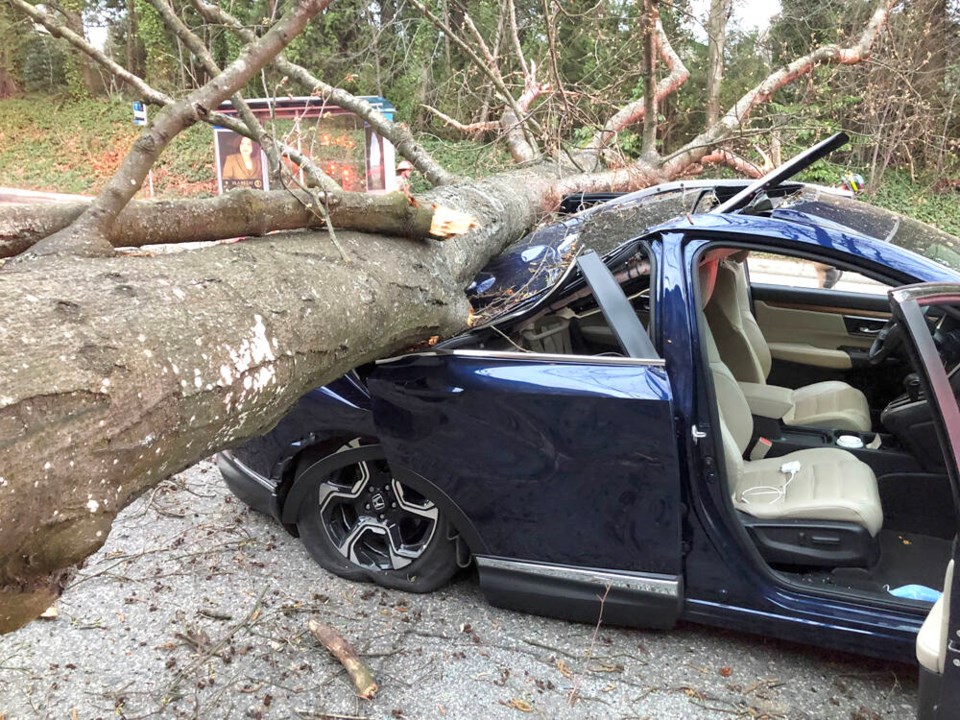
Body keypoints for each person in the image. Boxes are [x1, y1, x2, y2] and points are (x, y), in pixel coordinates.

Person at [814, 173, 867, 289]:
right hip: (825, 248)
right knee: (829, 276)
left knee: (835, 274)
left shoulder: (831, 195)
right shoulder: (839, 199)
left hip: (827, 246)